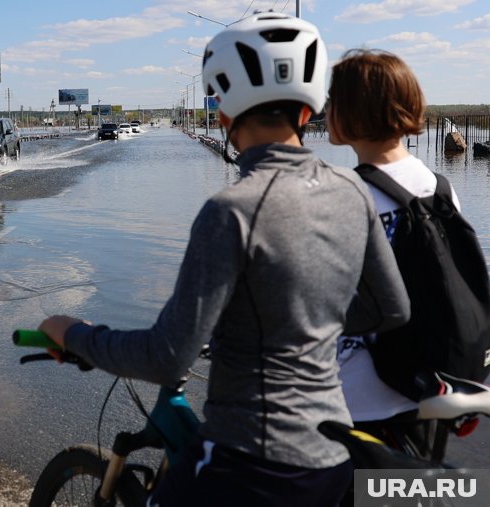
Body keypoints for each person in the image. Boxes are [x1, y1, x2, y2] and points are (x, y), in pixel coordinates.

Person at [38, 14, 410, 506]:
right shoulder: (351, 192)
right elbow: (391, 309)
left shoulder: (232, 211)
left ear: (225, 114)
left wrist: (74, 334)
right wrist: (296, 323)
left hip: (249, 461)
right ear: (308, 108)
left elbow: (168, 355)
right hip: (332, 456)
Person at [329, 49, 461, 455]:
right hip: (417, 386)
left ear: (353, 111)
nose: (327, 108)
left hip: (350, 400)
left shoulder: (340, 194)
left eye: (333, 100)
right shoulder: (437, 187)